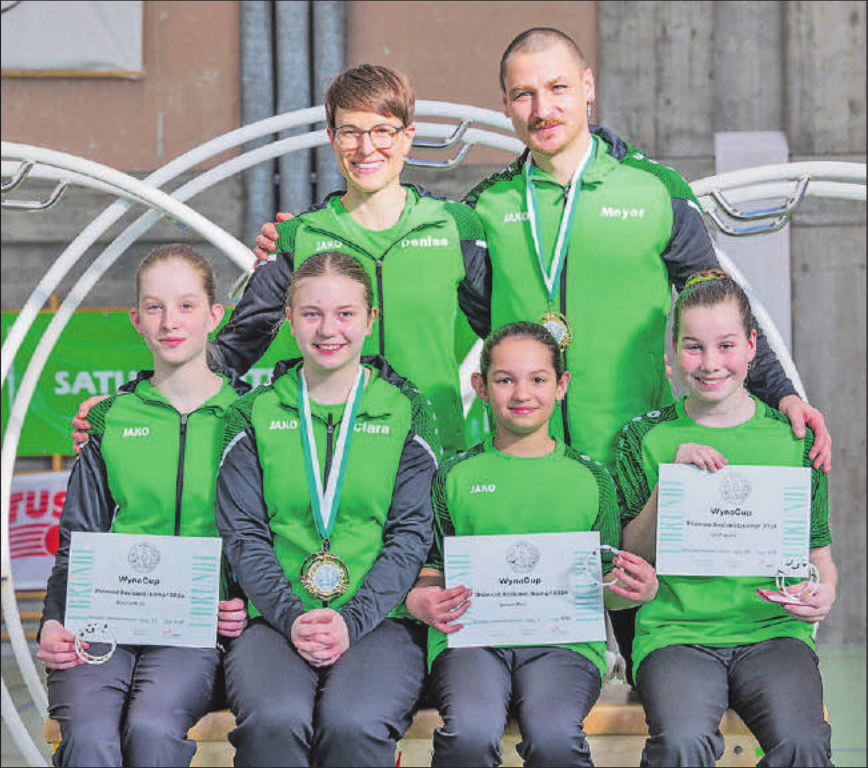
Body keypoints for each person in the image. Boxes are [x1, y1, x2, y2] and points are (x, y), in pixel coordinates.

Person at [250, 28, 832, 680]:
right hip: (523, 477)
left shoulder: (656, 190)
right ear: (505, 104)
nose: (542, 107)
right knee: (522, 682)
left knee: (659, 678)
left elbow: (717, 304)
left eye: (557, 87)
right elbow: (400, 264)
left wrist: (781, 390)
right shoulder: (485, 210)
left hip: (634, 475)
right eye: (524, 93)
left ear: (588, 87)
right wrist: (298, 237)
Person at [214, 250, 440, 767]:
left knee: (354, 725)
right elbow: (245, 535)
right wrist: (292, 617)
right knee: (273, 722)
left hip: (381, 619)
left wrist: (352, 621)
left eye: (345, 314)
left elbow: (410, 535)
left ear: (370, 319)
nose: (328, 329)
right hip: (274, 619)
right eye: (312, 314)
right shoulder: (252, 412)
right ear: (289, 319)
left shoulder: (407, 409)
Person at [405, 321, 658, 767]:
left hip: (564, 645)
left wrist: (638, 591)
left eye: (538, 379)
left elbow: (605, 588)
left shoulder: (592, 479)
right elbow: (432, 567)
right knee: (469, 732)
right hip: (472, 643)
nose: (522, 393)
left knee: (555, 736)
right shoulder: (453, 476)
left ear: (561, 386)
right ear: (481, 386)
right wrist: (421, 598)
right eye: (505, 380)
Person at [612, 268, 836, 767]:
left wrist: (825, 593)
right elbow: (629, 554)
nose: (711, 363)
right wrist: (671, 483)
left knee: (803, 744)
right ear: (673, 353)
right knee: (681, 743)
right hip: (676, 636)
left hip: (773, 634)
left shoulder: (795, 439)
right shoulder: (645, 438)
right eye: (694, 347)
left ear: (752, 346)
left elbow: (820, 557)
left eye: (727, 345)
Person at [36, 243, 248, 767]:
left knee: (152, 729)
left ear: (214, 315)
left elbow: (270, 531)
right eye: (154, 307)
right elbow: (78, 538)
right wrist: (53, 621)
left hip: (196, 628)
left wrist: (244, 600)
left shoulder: (251, 419)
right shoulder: (108, 419)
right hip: (104, 622)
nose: (169, 322)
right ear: (136, 319)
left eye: (185, 306)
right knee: (90, 737)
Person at [213, 62, 490, 457]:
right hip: (328, 462)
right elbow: (233, 351)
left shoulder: (455, 226)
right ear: (332, 138)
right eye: (351, 132)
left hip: (433, 456)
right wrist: (144, 391)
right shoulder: (298, 237)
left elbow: (507, 336)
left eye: (383, 131)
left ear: (407, 137)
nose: (366, 148)